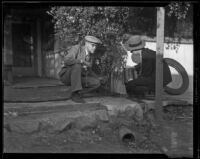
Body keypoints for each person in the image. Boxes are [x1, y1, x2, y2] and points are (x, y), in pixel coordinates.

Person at [58, 35, 105, 103]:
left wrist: (98, 78)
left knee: (96, 83)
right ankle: (75, 93)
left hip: (78, 78)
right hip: (66, 76)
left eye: (96, 46)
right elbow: (67, 60)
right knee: (77, 65)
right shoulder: (77, 48)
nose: (94, 48)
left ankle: (77, 93)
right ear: (86, 44)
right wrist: (82, 61)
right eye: (93, 45)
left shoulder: (91, 55)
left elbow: (89, 70)